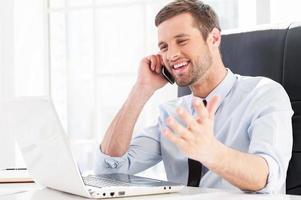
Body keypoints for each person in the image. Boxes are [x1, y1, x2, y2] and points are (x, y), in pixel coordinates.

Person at [94, 0, 293, 194]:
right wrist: (141, 89)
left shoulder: (264, 94)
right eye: (164, 47)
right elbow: (108, 170)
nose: (171, 55)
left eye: (182, 41)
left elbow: (267, 177)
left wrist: (211, 152)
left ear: (214, 38)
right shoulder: (172, 114)